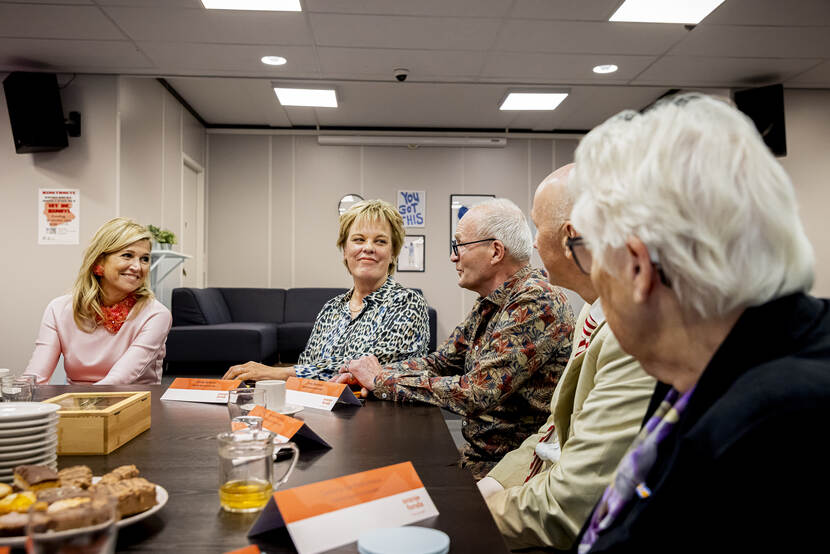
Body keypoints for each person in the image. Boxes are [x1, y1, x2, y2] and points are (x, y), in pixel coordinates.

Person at [568, 93, 830, 553]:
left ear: (637, 267)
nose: (589, 273)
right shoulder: (699, 366)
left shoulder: (774, 429)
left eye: (587, 252)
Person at [476, 165, 655, 550]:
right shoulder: (593, 312)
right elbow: (553, 434)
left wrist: (472, 513)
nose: (534, 244)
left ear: (572, 237)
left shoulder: (635, 337)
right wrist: (494, 485)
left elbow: (574, 503)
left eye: (538, 227)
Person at [339, 198, 575, 479]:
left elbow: (476, 392)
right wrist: (369, 374)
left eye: (459, 246)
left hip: (511, 470)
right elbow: (442, 362)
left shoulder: (536, 301)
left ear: (496, 251)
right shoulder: (491, 302)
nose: (453, 257)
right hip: (480, 457)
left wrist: (381, 380)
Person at [223, 199, 429, 383]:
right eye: (358, 239)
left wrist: (279, 373)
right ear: (345, 250)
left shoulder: (408, 303)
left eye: (380, 241)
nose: (368, 248)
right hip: (321, 412)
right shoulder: (331, 308)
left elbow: (370, 370)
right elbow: (307, 365)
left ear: (393, 254)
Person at [26, 217, 172, 385]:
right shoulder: (58, 308)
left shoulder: (156, 314)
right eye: (127, 255)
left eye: (144, 259)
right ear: (99, 263)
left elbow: (119, 379)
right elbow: (36, 377)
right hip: (78, 405)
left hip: (133, 405)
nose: (138, 267)